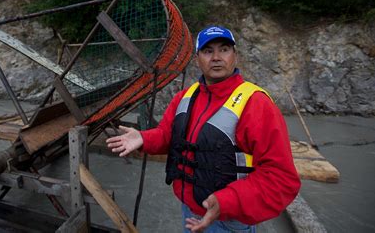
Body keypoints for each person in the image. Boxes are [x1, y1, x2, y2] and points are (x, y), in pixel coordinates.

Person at [106, 26, 301, 232]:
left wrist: (226, 201)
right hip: (189, 213)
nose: (216, 57)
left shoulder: (256, 104)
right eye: (208, 51)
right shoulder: (184, 97)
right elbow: (168, 134)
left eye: (224, 49)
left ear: (235, 56)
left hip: (230, 221)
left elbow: (281, 178)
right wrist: (143, 138)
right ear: (197, 59)